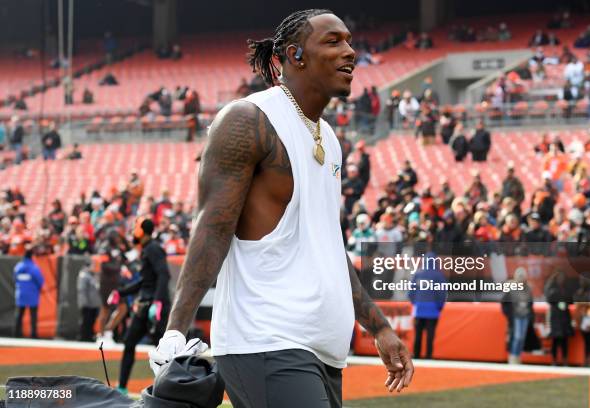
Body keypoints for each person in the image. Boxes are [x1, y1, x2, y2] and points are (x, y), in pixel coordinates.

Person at [149, 10, 414, 408]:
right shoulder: (248, 120)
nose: (350, 52)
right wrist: (175, 329)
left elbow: (327, 247)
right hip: (266, 340)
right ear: (295, 55)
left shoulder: (330, 139)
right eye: (333, 41)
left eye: (349, 41)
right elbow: (212, 227)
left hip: (321, 351)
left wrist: (379, 327)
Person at [115, 218, 170, 394]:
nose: (133, 232)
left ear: (142, 231)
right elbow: (144, 282)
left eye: (136, 228)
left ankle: (169, 391)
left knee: (164, 352)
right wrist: (121, 292)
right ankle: (122, 388)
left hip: (153, 307)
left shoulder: (153, 248)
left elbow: (164, 275)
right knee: (130, 343)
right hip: (145, 306)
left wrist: (158, 302)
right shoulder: (147, 249)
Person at [409, 252, 446, 359]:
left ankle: (416, 356)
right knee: (430, 336)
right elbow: (442, 293)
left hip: (419, 310)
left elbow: (411, 293)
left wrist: (416, 304)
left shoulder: (418, 273)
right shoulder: (438, 275)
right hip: (433, 311)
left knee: (418, 335)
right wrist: (439, 307)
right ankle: (428, 356)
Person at [503, 268, 533, 364]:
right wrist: (509, 315)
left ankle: (518, 356)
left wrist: (530, 313)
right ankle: (513, 356)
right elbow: (504, 303)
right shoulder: (511, 288)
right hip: (515, 316)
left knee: (522, 337)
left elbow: (530, 302)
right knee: (517, 336)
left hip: (525, 315)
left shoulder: (528, 288)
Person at [13, 248, 44, 338]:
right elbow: (40, 281)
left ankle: (16, 333)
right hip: (32, 294)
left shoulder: (18, 267)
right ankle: (33, 334)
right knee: (33, 315)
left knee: (19, 314)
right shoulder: (34, 268)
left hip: (21, 294)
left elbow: (15, 279)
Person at [545, 270, 574, 366]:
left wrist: (565, 301)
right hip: (556, 317)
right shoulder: (552, 288)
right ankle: (554, 360)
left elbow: (571, 300)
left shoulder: (566, 288)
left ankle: (565, 360)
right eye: (559, 277)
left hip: (565, 317)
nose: (561, 279)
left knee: (565, 340)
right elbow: (549, 298)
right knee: (555, 339)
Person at [77, 260, 101, 342]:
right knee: (86, 321)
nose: (93, 268)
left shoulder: (91, 275)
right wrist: (84, 303)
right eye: (92, 266)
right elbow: (82, 290)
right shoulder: (84, 275)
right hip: (87, 304)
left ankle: (89, 335)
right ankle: (84, 336)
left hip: (93, 304)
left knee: (91, 321)